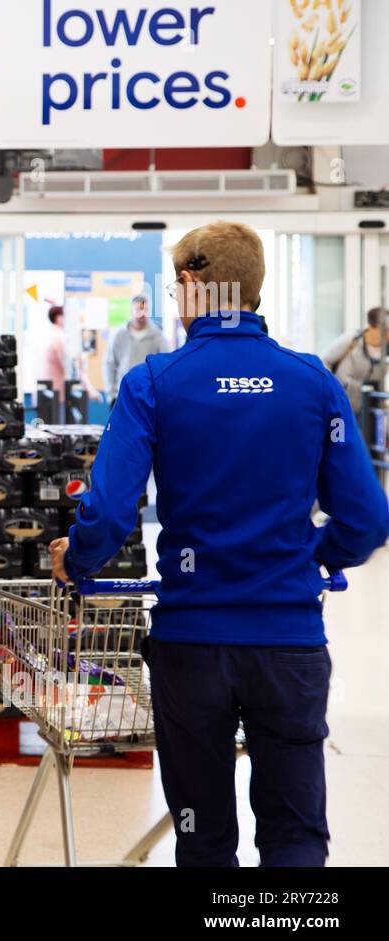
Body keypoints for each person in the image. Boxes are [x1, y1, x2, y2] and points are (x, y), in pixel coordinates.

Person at [49, 220, 389, 867]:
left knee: (202, 838)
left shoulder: (153, 382)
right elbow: (368, 521)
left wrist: (79, 558)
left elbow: (113, 510)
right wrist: (314, 556)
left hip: (191, 650)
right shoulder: (313, 382)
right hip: (288, 645)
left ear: (189, 285)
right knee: (294, 837)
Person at [321, 307, 385, 415]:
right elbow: (324, 362)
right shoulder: (351, 341)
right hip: (342, 407)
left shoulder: (384, 350)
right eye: (384, 330)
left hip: (368, 410)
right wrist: (334, 389)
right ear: (371, 327)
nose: (387, 335)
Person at [105, 295, 167, 404]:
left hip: (149, 398)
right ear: (131, 310)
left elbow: (165, 366)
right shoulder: (119, 335)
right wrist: (111, 394)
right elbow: (109, 364)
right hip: (122, 396)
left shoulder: (158, 336)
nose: (142, 314)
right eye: (138, 309)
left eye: (145, 310)